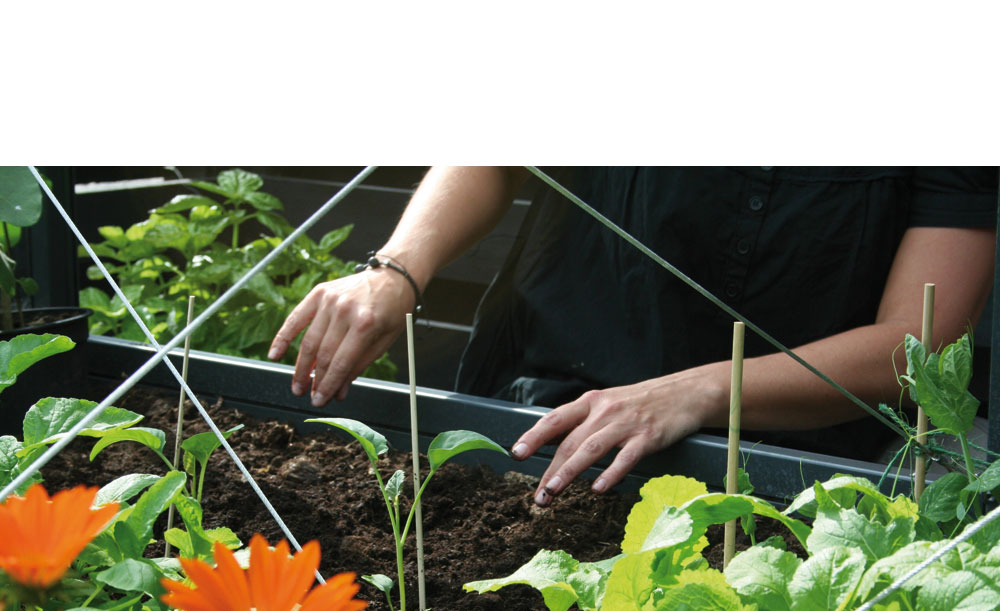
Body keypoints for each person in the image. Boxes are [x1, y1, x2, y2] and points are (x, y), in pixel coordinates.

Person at [268, 167, 998, 505]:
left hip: (780, 475)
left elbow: (919, 346)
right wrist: (397, 270)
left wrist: (701, 390)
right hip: (546, 419)